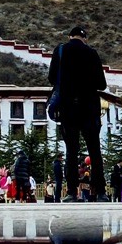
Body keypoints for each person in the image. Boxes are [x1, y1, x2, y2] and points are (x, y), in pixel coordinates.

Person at [48, 26, 107, 202]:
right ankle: (100, 192)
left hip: (67, 109)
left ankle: (71, 192)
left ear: (69, 37)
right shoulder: (92, 53)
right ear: (85, 38)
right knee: (94, 151)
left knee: (71, 151)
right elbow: (101, 84)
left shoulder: (60, 51)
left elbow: (52, 78)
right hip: (89, 109)